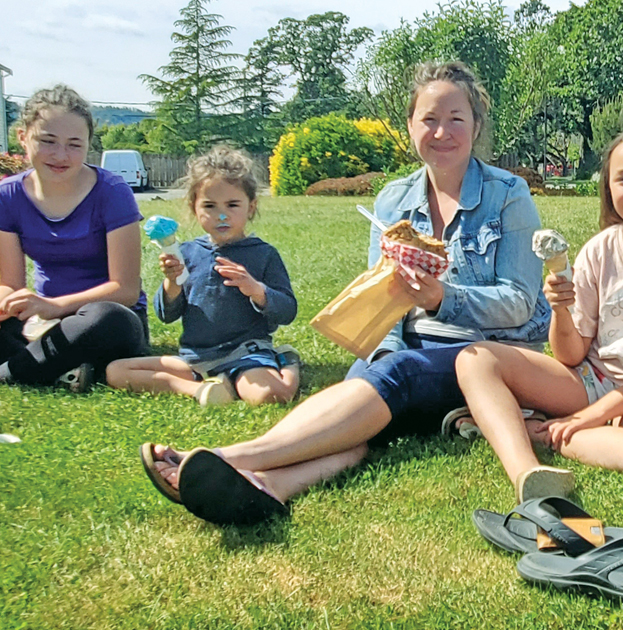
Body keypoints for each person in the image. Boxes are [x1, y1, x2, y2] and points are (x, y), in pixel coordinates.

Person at [139, 61, 551, 524]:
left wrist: (441, 299)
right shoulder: (394, 199)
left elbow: (519, 301)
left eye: (456, 118)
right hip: (408, 344)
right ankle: (270, 487)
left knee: (392, 378)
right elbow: (381, 295)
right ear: (411, 125)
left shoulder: (509, 194)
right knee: (358, 405)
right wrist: (381, 348)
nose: (442, 132)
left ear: (476, 125)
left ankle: (232, 456)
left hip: (484, 353)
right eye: (429, 119)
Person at [454, 120, 623, 502]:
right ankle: (528, 469)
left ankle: (543, 433)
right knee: (475, 361)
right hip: (588, 379)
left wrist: (588, 419)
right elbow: (571, 355)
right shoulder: (599, 250)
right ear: (608, 189)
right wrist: (561, 309)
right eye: (622, 179)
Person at [106, 146, 300, 406]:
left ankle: (287, 362)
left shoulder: (263, 254)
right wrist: (171, 282)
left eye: (233, 205)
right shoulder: (185, 252)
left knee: (270, 396)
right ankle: (195, 389)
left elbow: (287, 311)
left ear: (251, 207)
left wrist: (256, 289)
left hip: (244, 354)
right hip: (193, 360)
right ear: (194, 208)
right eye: (209, 205)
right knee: (116, 371)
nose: (221, 215)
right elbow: (167, 315)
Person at [0, 85, 147, 391]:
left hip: (101, 319)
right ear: (23, 137)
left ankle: (12, 371)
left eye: (74, 145)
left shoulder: (112, 192)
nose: (61, 155)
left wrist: (54, 305)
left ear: (88, 145)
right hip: (41, 324)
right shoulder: (8, 196)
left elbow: (126, 290)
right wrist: (7, 302)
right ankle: (64, 372)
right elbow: (10, 284)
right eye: (48, 141)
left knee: (107, 320)